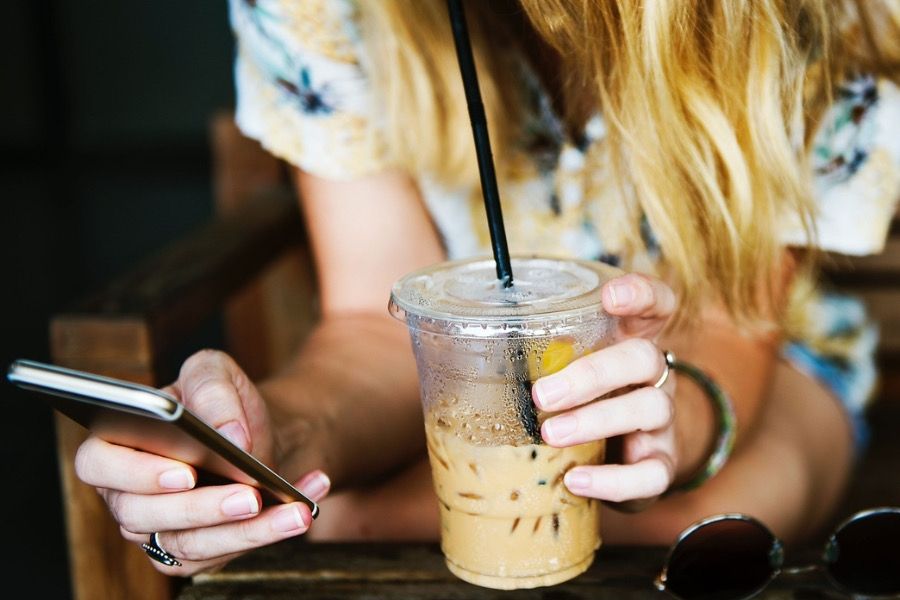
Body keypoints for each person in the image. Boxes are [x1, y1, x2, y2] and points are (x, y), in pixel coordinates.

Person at [73, 0, 900, 576]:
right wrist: (277, 442)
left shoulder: (802, 12)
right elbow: (372, 323)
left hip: (760, 365)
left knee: (705, 519)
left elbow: (734, 322)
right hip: (454, 386)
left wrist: (669, 418)